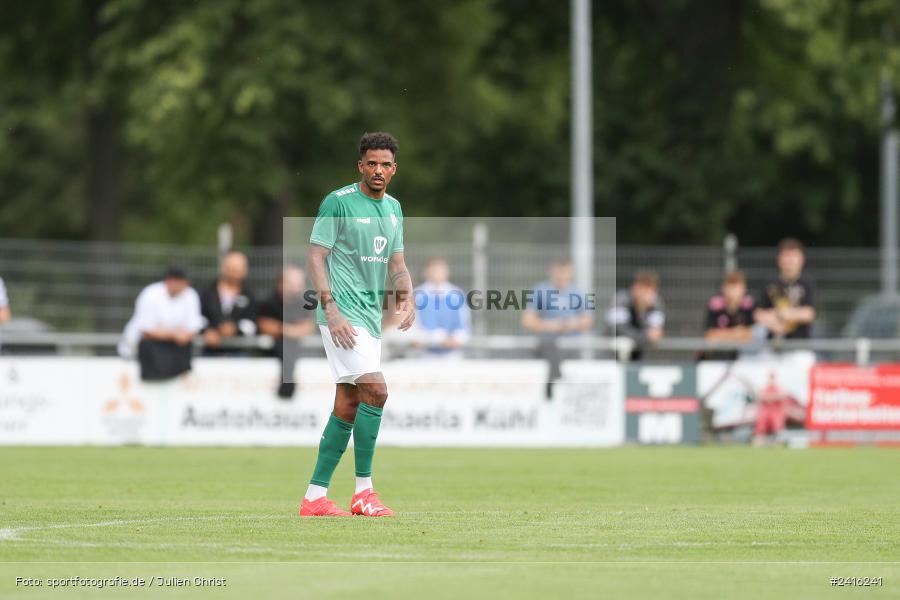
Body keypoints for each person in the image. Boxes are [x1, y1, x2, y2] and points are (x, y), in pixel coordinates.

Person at [300, 131, 415, 518]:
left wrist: (407, 295)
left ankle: (315, 497)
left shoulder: (395, 209)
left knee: (349, 403)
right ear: (360, 166)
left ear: (394, 169)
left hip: (369, 318)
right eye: (372, 163)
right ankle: (363, 491)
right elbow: (316, 258)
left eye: (385, 164)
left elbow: (397, 266)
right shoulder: (339, 202)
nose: (378, 170)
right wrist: (330, 308)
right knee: (377, 391)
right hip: (342, 317)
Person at [521, 259, 593, 399]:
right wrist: (550, 326)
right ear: (552, 273)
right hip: (547, 347)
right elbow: (527, 320)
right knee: (552, 352)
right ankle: (553, 387)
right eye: (559, 274)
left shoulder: (577, 293)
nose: (561, 278)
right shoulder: (541, 290)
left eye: (564, 274)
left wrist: (572, 324)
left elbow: (588, 321)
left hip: (573, 348)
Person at [118, 266, 203, 381]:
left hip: (172, 354)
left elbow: (193, 327)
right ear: (170, 281)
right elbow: (146, 330)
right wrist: (174, 335)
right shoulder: (151, 294)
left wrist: (178, 335)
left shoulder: (190, 295)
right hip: (138, 352)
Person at [257, 265, 316, 399]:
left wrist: (282, 329)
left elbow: (308, 327)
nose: (298, 288)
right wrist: (293, 330)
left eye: (299, 283)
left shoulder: (302, 303)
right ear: (282, 283)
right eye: (294, 283)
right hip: (267, 355)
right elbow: (265, 326)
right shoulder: (268, 301)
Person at [753, 238, 816, 340]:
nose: (790, 261)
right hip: (772, 345)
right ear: (779, 259)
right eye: (787, 256)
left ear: (802, 260)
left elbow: (809, 313)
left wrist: (783, 314)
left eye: (793, 256)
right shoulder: (770, 283)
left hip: (799, 346)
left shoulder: (807, 283)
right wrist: (773, 323)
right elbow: (758, 313)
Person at [199, 250, 258, 354]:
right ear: (224, 268)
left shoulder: (249, 294)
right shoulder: (208, 292)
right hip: (210, 351)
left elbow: (252, 322)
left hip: (238, 351)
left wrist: (235, 329)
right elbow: (198, 317)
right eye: (232, 270)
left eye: (239, 270)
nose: (235, 275)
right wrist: (207, 331)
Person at [413, 257, 471, 358]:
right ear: (426, 272)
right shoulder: (417, 295)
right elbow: (414, 326)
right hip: (425, 355)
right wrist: (435, 339)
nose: (438, 274)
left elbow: (464, 325)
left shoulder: (457, 294)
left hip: (452, 355)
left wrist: (455, 339)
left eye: (441, 270)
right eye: (434, 270)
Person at [606, 270, 665, 361]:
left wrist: (643, 309)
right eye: (644, 288)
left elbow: (655, 332)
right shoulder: (620, 300)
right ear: (635, 288)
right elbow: (620, 330)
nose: (647, 294)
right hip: (610, 356)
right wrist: (645, 336)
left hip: (639, 356)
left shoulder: (655, 304)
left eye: (651, 290)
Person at [701, 270, 755, 360]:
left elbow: (749, 337)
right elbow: (710, 337)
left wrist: (722, 335)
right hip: (718, 356)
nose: (732, 292)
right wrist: (737, 333)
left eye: (736, 287)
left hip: (742, 358)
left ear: (743, 288)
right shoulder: (715, 305)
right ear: (723, 288)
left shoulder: (748, 306)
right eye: (730, 287)